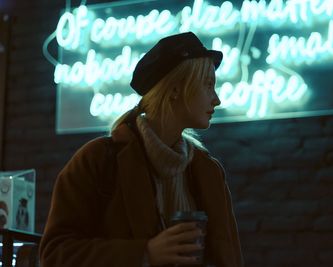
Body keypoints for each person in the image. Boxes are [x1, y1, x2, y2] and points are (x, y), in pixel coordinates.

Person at [39, 32, 243, 267]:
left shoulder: (209, 172)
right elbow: (55, 254)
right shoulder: (98, 160)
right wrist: (144, 254)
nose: (216, 99)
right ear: (175, 89)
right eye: (208, 85)